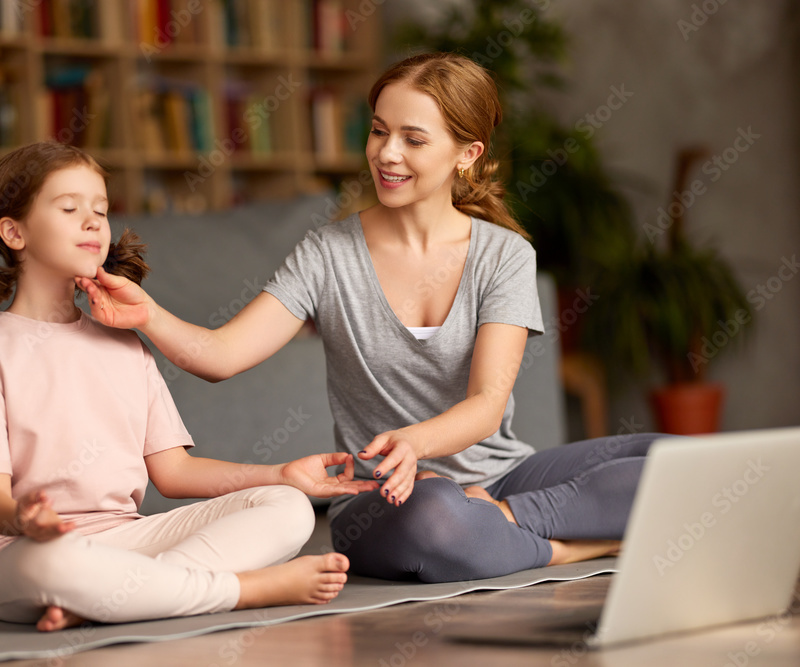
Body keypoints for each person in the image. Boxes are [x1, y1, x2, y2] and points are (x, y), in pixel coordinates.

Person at [76, 53, 661, 583]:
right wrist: (147, 314)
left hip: (501, 478)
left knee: (670, 459)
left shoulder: (504, 255)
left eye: (413, 138)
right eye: (379, 131)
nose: (387, 153)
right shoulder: (328, 254)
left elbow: (487, 404)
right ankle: (572, 549)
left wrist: (424, 448)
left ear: (467, 153)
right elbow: (222, 356)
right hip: (385, 501)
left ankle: (509, 521)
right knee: (436, 516)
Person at [0, 141, 377, 632]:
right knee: (56, 565)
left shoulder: (126, 345)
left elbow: (174, 472)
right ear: (14, 232)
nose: (93, 222)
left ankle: (119, 597)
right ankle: (245, 590)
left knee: (288, 507)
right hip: (24, 554)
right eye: (69, 208)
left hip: (127, 539)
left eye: (100, 210)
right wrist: (24, 520)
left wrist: (282, 474)